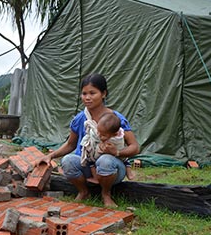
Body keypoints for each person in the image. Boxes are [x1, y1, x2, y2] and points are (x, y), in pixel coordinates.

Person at [36, 73, 139, 207]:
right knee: (68, 161)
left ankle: (106, 194)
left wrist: (117, 153)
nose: (87, 98)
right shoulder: (80, 119)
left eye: (92, 93)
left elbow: (135, 147)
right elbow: (70, 144)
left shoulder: (115, 119)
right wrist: (50, 156)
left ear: (104, 94)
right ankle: (84, 191)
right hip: (88, 165)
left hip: (112, 168)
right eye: (84, 94)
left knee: (105, 161)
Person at [86, 112, 135, 182]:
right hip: (108, 161)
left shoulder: (115, 140)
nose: (99, 135)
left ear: (114, 134)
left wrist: (116, 152)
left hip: (115, 162)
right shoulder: (107, 132)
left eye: (103, 135)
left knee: (92, 161)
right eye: (98, 131)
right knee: (125, 161)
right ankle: (129, 174)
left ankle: (96, 177)